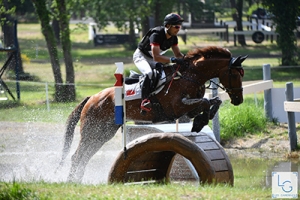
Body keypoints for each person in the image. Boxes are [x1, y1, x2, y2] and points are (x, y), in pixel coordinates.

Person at [133, 13, 185, 113]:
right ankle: (144, 101)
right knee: (149, 73)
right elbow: (156, 57)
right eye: (176, 26)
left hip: (153, 58)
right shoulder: (156, 34)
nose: (178, 29)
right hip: (141, 56)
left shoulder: (174, 38)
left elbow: (178, 54)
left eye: (180, 26)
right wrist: (172, 60)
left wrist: (189, 60)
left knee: (167, 73)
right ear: (167, 26)